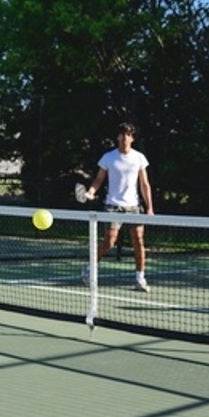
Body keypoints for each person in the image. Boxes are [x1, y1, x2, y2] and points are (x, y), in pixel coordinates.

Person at [82, 122, 154, 292]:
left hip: (134, 207)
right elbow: (99, 180)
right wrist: (91, 191)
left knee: (138, 241)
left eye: (128, 134)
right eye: (122, 134)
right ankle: (89, 270)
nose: (124, 137)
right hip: (112, 206)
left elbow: (144, 184)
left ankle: (140, 279)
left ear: (132, 138)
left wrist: (149, 207)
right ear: (118, 137)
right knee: (109, 242)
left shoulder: (139, 158)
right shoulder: (108, 157)